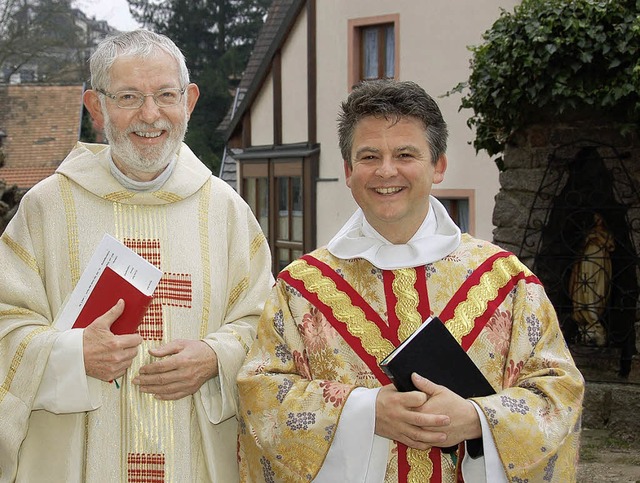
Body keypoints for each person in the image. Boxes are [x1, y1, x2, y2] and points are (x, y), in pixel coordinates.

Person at [236, 79, 584, 482]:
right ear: (348, 171)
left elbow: (559, 395)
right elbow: (259, 399)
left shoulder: (507, 282)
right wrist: (364, 413)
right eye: (369, 156)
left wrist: (477, 420)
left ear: (438, 165)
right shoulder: (299, 290)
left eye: (405, 154)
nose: (386, 171)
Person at [0, 29, 273, 482]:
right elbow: (6, 323)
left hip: (195, 460)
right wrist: (72, 354)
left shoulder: (226, 211)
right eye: (128, 96)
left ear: (188, 100)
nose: (150, 115)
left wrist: (214, 357)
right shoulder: (47, 208)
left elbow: (267, 327)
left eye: (165, 95)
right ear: (96, 108)